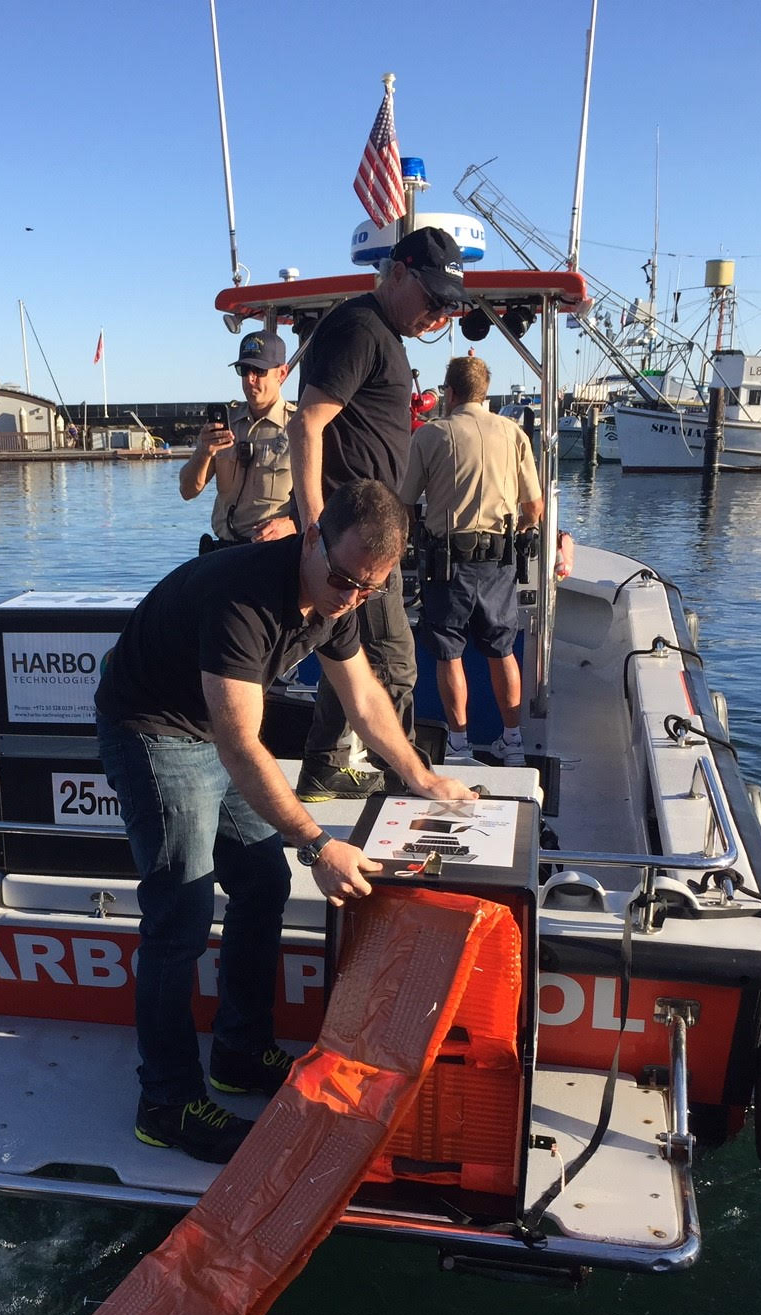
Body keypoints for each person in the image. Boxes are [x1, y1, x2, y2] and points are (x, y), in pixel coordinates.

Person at [95, 479, 477, 1163]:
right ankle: (166, 1102)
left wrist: (421, 777)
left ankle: (238, 1053)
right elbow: (242, 745)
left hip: (213, 731)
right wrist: (319, 842)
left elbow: (362, 695)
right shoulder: (244, 599)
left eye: (368, 589)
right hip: (152, 726)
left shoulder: (343, 593)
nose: (348, 598)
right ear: (310, 537)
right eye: (340, 579)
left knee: (263, 884)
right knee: (179, 917)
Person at [288, 226, 466, 803]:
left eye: (447, 307)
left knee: (352, 650)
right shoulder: (362, 328)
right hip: (353, 536)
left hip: (364, 532)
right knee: (392, 663)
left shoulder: (378, 330)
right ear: (397, 272)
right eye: (432, 299)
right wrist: (316, 526)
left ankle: (325, 766)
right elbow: (307, 423)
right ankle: (407, 784)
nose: (438, 316)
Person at [399, 354, 545, 766]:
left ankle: (459, 747)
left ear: (449, 392)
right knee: (501, 649)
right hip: (499, 560)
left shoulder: (430, 436)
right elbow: (533, 507)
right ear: (484, 392)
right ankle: (512, 740)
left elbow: (406, 502)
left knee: (449, 651)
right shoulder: (513, 433)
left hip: (448, 562)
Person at [179, 330, 297, 549]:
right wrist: (203, 452)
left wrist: (292, 525)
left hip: (272, 554)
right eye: (243, 370)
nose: (250, 379)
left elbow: (329, 497)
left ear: (282, 373)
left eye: (259, 370)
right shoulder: (226, 423)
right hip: (224, 553)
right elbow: (187, 491)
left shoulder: (299, 428)